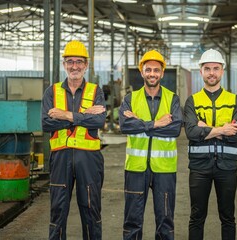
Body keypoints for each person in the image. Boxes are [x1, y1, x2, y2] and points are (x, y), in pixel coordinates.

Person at [41, 40, 106, 240]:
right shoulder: (51, 92)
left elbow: (99, 120)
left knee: (90, 210)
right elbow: (46, 124)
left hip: (89, 160)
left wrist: (66, 115)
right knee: (58, 210)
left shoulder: (96, 91)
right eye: (70, 61)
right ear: (64, 65)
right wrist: (83, 116)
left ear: (86, 65)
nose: (74, 66)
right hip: (60, 158)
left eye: (79, 62)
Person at [119, 50, 182, 240]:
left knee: (165, 220)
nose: (152, 74)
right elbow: (124, 126)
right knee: (132, 220)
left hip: (164, 169)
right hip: (136, 168)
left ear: (162, 73)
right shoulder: (130, 99)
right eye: (148, 70)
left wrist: (139, 123)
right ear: (142, 72)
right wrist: (156, 123)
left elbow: (175, 129)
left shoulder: (173, 99)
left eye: (156, 70)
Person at [184, 49, 237, 240]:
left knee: (228, 217)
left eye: (216, 68)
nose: (212, 72)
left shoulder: (235, 101)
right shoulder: (192, 101)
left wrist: (206, 129)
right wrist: (221, 130)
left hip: (227, 167)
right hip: (199, 167)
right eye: (207, 68)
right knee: (196, 216)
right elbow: (191, 133)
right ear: (201, 71)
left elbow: (235, 136)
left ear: (222, 71)